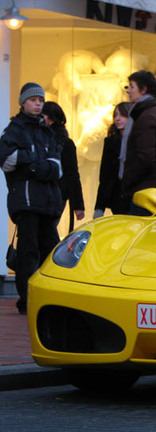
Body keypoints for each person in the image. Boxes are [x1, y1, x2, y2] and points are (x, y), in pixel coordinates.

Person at [0, 83, 63, 314]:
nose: (38, 103)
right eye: (33, 99)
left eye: (40, 100)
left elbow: (57, 168)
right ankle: (26, 300)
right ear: (23, 102)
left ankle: (51, 297)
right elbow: (7, 161)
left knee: (52, 251)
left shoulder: (47, 131)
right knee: (28, 252)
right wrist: (37, 161)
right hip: (26, 202)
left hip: (48, 201)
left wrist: (32, 165)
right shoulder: (13, 130)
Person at [119, 70, 156, 215]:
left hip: (145, 189)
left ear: (144, 89)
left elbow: (145, 157)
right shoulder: (153, 113)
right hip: (151, 184)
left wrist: (128, 180)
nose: (128, 91)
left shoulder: (146, 117)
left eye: (131, 86)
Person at [42, 101, 85, 232]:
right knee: (47, 232)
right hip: (58, 195)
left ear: (51, 119)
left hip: (46, 193)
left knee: (42, 233)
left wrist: (77, 204)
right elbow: (72, 175)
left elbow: (71, 174)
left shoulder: (44, 140)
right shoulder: (65, 142)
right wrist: (78, 205)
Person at [94, 102, 132, 218]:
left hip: (135, 194)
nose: (118, 119)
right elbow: (105, 175)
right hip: (116, 194)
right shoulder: (111, 141)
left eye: (122, 115)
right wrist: (99, 207)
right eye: (115, 115)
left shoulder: (137, 139)